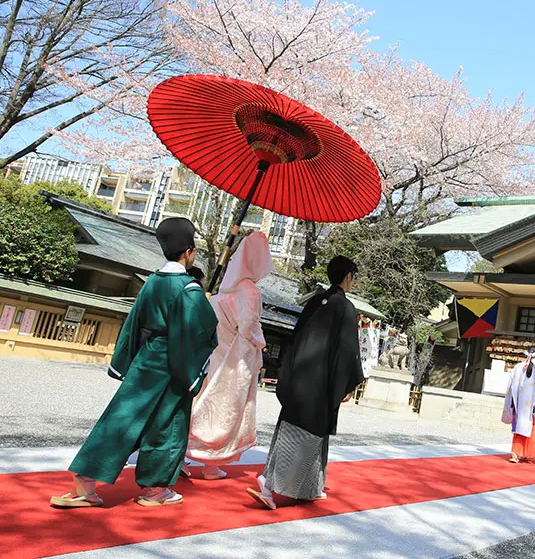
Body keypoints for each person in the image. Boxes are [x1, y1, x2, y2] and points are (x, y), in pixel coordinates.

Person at [50, 218, 218, 508]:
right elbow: (198, 332)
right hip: (174, 362)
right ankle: (155, 490)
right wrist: (205, 304)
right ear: (190, 252)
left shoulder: (152, 281)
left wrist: (127, 361)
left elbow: (134, 322)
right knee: (168, 423)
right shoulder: (189, 290)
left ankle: (86, 479)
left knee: (121, 416)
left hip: (146, 357)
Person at [247, 256, 364, 510]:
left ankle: (311, 487)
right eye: (353, 277)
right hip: (320, 383)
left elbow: (296, 337)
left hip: (299, 377)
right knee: (304, 437)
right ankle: (269, 484)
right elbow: (346, 351)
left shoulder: (315, 302)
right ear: (348, 277)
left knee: (299, 432)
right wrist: (347, 384)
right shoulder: (344, 307)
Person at [184, 232, 274, 480]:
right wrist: (261, 342)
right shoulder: (250, 291)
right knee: (227, 408)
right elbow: (248, 327)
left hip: (215, 352)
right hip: (236, 359)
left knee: (201, 400)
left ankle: (182, 453)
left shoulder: (227, 285)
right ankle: (211, 464)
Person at [502, 345, 535, 463]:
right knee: (530, 429)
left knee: (518, 428)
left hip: (519, 405)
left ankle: (515, 453)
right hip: (532, 407)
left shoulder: (518, 368)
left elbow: (510, 387)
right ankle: (525, 453)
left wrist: (511, 403)